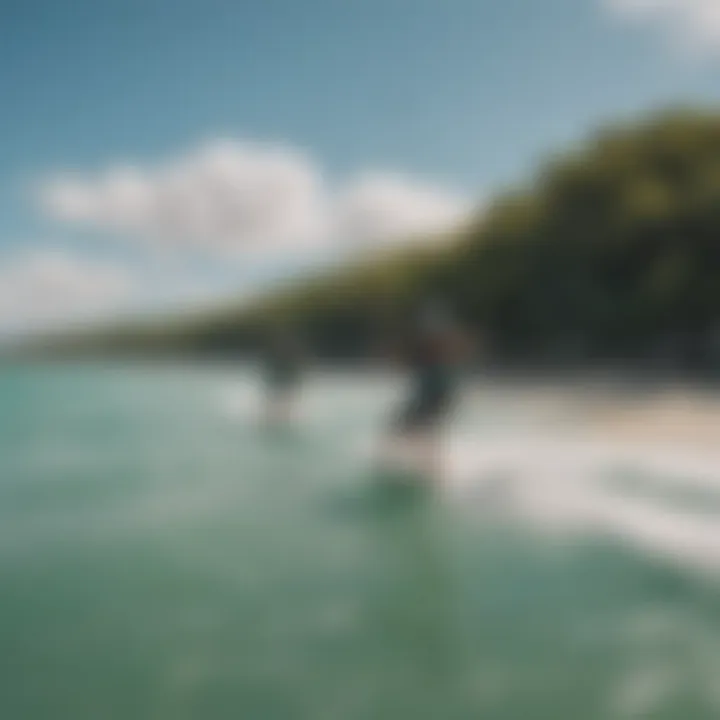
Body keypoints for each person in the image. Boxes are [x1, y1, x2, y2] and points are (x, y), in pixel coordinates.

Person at [384, 301, 473, 481]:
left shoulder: (432, 346)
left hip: (435, 392)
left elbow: (410, 361)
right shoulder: (438, 345)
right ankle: (428, 468)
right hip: (438, 392)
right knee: (419, 428)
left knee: (413, 427)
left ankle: (428, 469)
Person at [261, 325, 305, 426]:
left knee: (283, 400)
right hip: (279, 380)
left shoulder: (289, 352)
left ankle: (280, 418)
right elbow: (269, 367)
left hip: (283, 380)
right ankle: (275, 418)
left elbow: (296, 367)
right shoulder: (278, 352)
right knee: (277, 400)